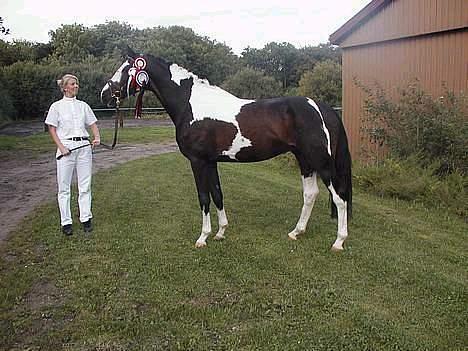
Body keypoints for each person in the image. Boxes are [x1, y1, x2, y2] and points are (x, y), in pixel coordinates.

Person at [45, 74, 100, 236]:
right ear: (65, 87)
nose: (76, 86)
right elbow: (52, 129)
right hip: (66, 148)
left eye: (76, 84)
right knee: (64, 187)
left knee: (85, 184)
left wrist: (96, 137)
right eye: (73, 84)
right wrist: (61, 147)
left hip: (83, 147)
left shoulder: (83, 105)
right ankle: (66, 222)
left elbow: (93, 124)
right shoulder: (56, 107)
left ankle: (86, 218)